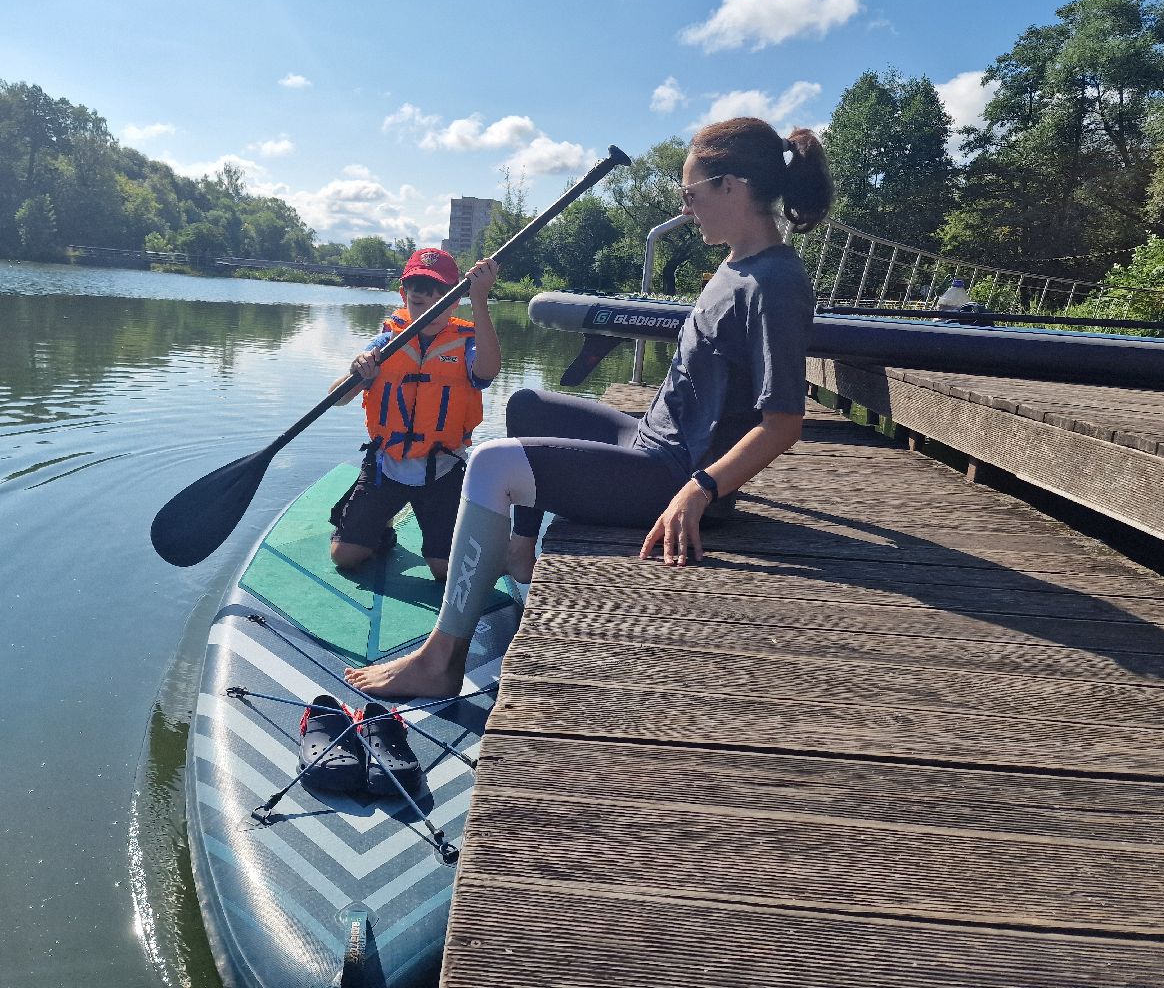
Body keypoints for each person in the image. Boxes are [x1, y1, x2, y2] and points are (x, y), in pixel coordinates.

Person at [346, 117, 833, 698]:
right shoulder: (737, 265)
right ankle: (521, 553)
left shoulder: (775, 283)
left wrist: (699, 490)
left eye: (691, 193)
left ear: (731, 186)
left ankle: (440, 660)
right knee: (526, 405)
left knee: (491, 464)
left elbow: (783, 424)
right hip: (650, 441)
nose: (685, 208)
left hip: (674, 474)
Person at [329, 247, 501, 581]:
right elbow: (337, 398)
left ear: (455, 302)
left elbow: (488, 371)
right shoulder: (385, 341)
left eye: (440, 301)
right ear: (404, 296)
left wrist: (480, 299)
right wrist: (356, 370)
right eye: (419, 301)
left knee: (443, 571)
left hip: (442, 469)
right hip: (386, 466)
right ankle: (382, 527)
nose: (428, 309)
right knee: (344, 558)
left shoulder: (467, 345)